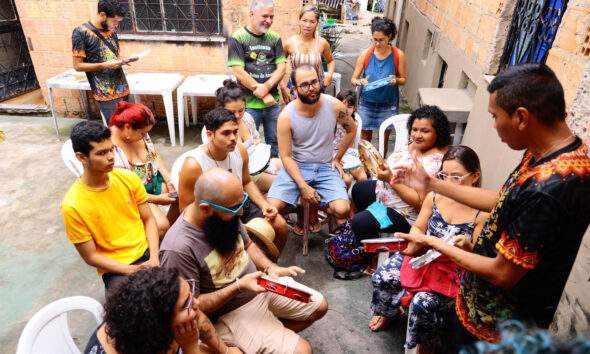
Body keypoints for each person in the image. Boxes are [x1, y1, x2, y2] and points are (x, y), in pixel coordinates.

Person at [393, 64, 590, 346]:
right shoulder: (547, 153)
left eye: (495, 116)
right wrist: (432, 185)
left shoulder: (548, 189)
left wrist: (432, 242)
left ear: (521, 117)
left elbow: (502, 273)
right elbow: (503, 200)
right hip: (478, 307)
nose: (494, 125)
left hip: (499, 330)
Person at [160, 169, 328, 354]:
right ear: (205, 208)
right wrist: (238, 287)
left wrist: (270, 267)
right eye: (234, 208)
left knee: (319, 305)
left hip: (259, 286)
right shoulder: (178, 248)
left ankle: (267, 337)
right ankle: (264, 339)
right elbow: (193, 307)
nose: (240, 212)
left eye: (241, 204)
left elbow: (247, 245)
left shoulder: (224, 213)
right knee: (303, 351)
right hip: (230, 310)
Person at [370, 146, 489, 352]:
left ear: (475, 176)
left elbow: (477, 256)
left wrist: (468, 247)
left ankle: (424, 344)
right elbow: (418, 226)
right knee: (383, 276)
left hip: (453, 269)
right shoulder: (435, 197)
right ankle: (388, 312)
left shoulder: (482, 213)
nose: (449, 182)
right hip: (424, 257)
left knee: (423, 304)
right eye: (444, 175)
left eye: (456, 177)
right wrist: (416, 238)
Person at [173, 107, 288, 255]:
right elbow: (186, 209)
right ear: (210, 135)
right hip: (215, 216)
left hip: (240, 204)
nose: (233, 138)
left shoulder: (240, 150)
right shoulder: (194, 165)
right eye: (226, 133)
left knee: (280, 225)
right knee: (237, 248)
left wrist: (264, 204)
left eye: (235, 132)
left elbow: (246, 181)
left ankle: (269, 268)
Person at [61, 121, 159, 293]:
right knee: (134, 311)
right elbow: (90, 256)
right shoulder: (73, 205)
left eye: (111, 149)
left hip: (147, 252)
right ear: (81, 157)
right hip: (116, 269)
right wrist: (132, 270)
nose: (111, 157)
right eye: (101, 153)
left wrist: (155, 257)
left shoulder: (128, 178)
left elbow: (149, 219)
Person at [267, 65, 357, 234]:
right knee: (272, 208)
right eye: (305, 85)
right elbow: (285, 157)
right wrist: (303, 186)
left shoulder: (335, 106)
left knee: (343, 210)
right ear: (294, 89)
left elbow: (351, 129)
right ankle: (301, 211)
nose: (311, 88)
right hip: (296, 166)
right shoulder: (286, 116)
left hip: (324, 166)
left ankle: (313, 210)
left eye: (314, 82)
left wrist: (337, 158)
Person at [84, 267, 241, 354]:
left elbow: (198, 317)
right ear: (158, 325)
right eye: (186, 303)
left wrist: (225, 351)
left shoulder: (176, 308)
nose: (196, 303)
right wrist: (191, 348)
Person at [350, 105, 451, 241]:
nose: (417, 135)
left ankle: (370, 257)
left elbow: (420, 203)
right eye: (414, 129)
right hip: (388, 196)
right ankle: (372, 235)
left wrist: (390, 179)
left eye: (425, 131)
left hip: (406, 213)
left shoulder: (437, 162)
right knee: (359, 189)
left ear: (438, 132)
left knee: (360, 222)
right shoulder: (416, 144)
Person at [109, 101, 178, 238]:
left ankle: (166, 236)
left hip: (152, 183)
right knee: (161, 225)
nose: (145, 136)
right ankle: (156, 238)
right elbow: (126, 193)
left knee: (183, 195)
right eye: (143, 133)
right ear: (128, 127)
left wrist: (169, 179)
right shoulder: (110, 152)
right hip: (134, 196)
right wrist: (157, 199)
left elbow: (153, 155)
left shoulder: (140, 133)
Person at [227, 0, 286, 157]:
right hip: (247, 104)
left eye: (271, 17)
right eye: (265, 16)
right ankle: (251, 175)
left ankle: (272, 171)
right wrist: (260, 91)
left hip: (272, 102)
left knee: (274, 141)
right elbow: (238, 70)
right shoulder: (238, 38)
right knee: (248, 143)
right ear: (252, 14)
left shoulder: (275, 38)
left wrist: (266, 88)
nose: (269, 20)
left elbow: (282, 68)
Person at [351, 16, 406, 157]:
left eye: (381, 40)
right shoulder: (366, 54)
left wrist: (396, 80)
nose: (377, 43)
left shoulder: (398, 55)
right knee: (365, 140)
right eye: (374, 39)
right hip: (367, 103)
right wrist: (360, 81)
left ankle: (381, 169)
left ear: (390, 37)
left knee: (384, 140)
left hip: (388, 104)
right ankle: (365, 168)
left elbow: (403, 79)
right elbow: (353, 79)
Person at [215, 79, 282, 193]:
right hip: (237, 172)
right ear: (221, 109)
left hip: (256, 163)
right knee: (283, 183)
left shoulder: (247, 118)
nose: (237, 115)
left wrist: (255, 143)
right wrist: (251, 143)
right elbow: (230, 155)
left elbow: (257, 140)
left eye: (241, 110)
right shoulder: (217, 127)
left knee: (288, 166)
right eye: (232, 112)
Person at [72, 0, 131, 123]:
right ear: (103, 15)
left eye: (118, 22)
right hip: (105, 93)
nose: (116, 25)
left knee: (129, 126)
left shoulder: (111, 30)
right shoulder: (80, 33)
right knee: (117, 129)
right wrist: (104, 65)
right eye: (114, 21)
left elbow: (113, 55)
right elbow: (77, 66)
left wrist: (122, 61)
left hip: (122, 87)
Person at [279, 5, 336, 103]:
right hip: (296, 91)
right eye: (304, 20)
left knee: (317, 116)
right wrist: (283, 87)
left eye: (312, 22)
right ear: (299, 20)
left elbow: (330, 61)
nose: (308, 25)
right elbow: (279, 64)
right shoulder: (290, 43)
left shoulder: (322, 43)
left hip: (318, 90)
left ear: (317, 23)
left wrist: (330, 74)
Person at [335, 90, 368, 188]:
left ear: (354, 109)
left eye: (349, 107)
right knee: (346, 180)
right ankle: (345, 200)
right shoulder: (331, 120)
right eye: (342, 105)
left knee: (363, 178)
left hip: (346, 153)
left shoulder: (354, 123)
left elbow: (349, 145)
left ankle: (357, 199)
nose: (345, 110)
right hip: (331, 154)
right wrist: (336, 158)